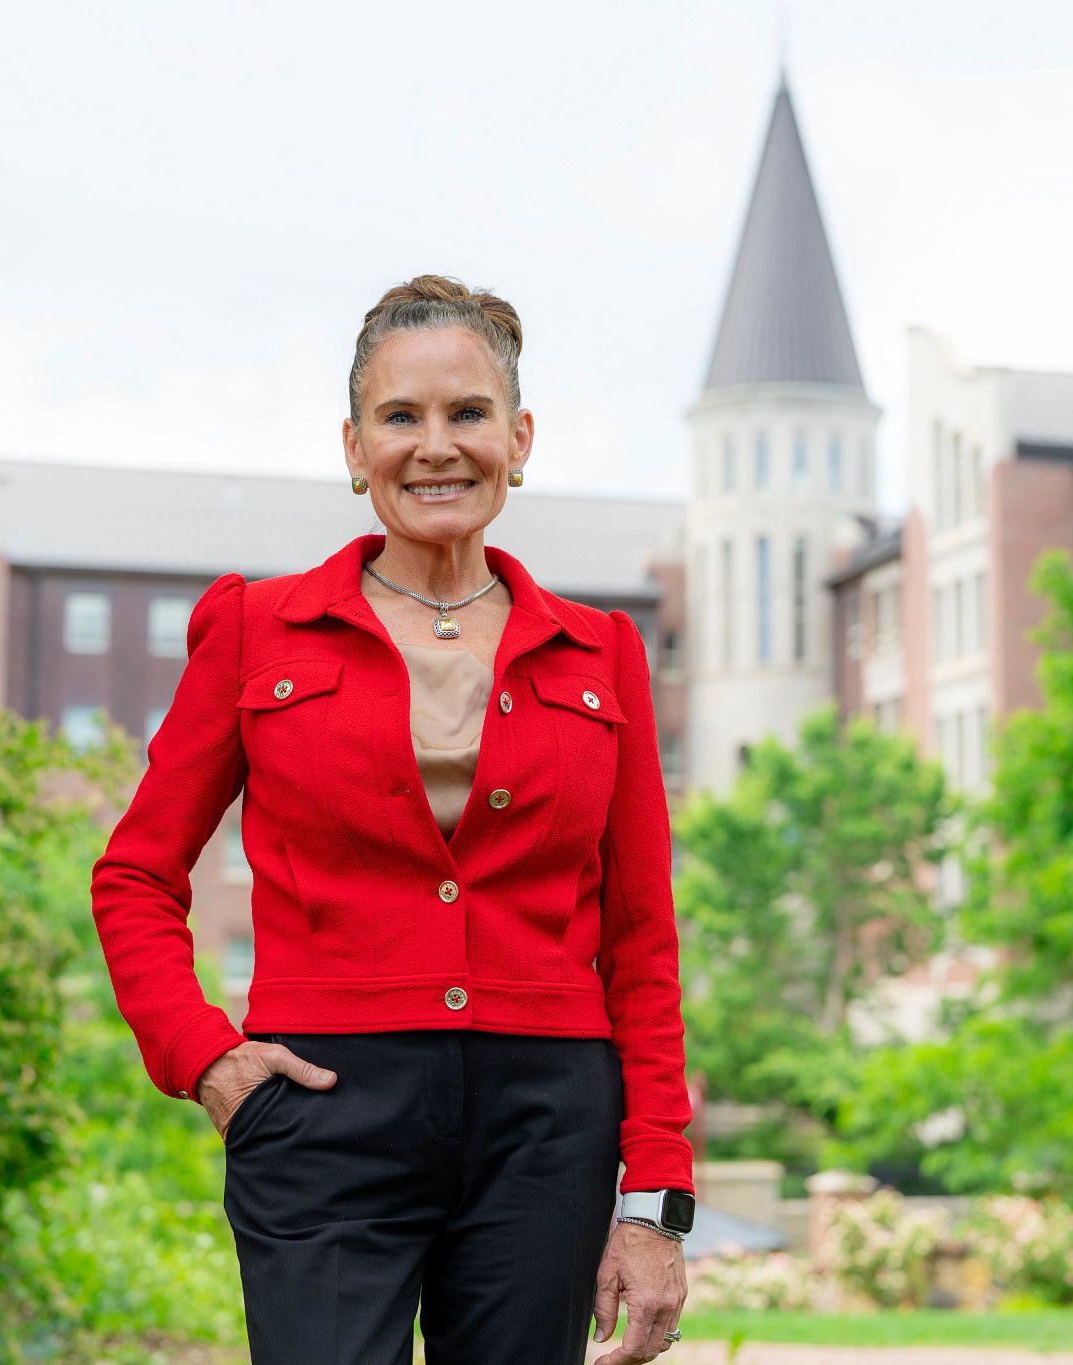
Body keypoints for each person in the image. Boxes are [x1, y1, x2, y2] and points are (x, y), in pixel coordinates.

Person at [89, 274, 698, 1364]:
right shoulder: (257, 629)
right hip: (323, 1112)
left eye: (466, 414)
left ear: (517, 439)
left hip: (545, 1128)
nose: (436, 447)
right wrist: (206, 1060)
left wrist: (652, 1204)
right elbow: (135, 875)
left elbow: (642, 944)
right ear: (352, 444)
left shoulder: (599, 653)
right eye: (400, 417)